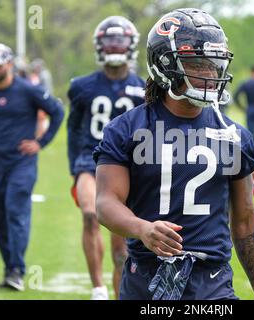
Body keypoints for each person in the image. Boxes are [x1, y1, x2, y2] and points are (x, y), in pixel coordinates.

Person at [93, 8, 254, 300]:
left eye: (214, 64)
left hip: (212, 284)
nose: (210, 74)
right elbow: (105, 202)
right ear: (164, 65)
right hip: (145, 281)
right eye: (197, 63)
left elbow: (246, 220)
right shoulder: (126, 129)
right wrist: (143, 229)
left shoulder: (234, 135)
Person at [0, 43, 64, 291]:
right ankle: (9, 268)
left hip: (22, 164)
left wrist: (40, 143)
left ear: (9, 64)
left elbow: (58, 111)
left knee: (15, 212)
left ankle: (17, 270)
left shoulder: (29, 90)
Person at [67, 16, 145, 300]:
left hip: (126, 166)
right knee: (90, 214)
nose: (114, 48)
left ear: (131, 45)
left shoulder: (144, 88)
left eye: (119, 42)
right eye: (109, 43)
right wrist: (74, 168)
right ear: (100, 46)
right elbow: (73, 128)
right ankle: (98, 288)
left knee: (121, 248)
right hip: (90, 161)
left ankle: (120, 293)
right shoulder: (82, 86)